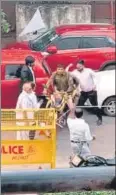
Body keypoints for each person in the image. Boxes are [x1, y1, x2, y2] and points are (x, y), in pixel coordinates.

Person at [66, 60, 102, 126]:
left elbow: (97, 77)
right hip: (83, 92)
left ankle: (100, 118)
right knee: (79, 107)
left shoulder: (88, 71)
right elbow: (66, 73)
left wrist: (95, 85)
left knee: (95, 107)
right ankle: (80, 120)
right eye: (77, 67)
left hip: (91, 92)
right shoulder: (75, 72)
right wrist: (68, 66)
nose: (78, 68)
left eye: (79, 66)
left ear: (83, 65)